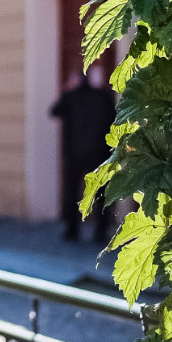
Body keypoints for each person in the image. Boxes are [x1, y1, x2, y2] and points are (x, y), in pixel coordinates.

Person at [49, 61, 117, 246]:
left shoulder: (71, 96)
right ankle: (101, 231)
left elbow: (54, 111)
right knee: (101, 193)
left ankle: (72, 230)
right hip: (100, 153)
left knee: (72, 192)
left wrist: (66, 89)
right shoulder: (104, 96)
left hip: (75, 153)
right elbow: (115, 118)